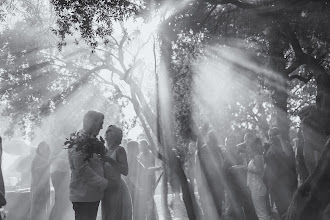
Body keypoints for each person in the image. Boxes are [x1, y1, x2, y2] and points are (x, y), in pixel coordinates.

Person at [68, 110, 108, 220]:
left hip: (91, 195)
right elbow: (82, 168)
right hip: (83, 196)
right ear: (92, 122)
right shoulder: (79, 140)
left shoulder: (92, 140)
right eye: (100, 124)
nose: (101, 127)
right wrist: (103, 183)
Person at [263, 127, 297, 218]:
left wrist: (281, 139)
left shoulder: (285, 144)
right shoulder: (270, 148)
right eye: (269, 136)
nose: (270, 138)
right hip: (274, 185)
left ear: (278, 135)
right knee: (281, 210)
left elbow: (288, 154)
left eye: (273, 136)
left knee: (289, 208)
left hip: (286, 183)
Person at [101, 125, 132, 220]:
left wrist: (110, 160)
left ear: (116, 135)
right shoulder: (104, 151)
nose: (107, 132)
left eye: (110, 131)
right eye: (107, 130)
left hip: (117, 189)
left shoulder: (120, 150)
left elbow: (125, 171)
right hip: (106, 190)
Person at [226, 132, 259, 220]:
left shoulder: (242, 151)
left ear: (235, 142)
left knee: (248, 204)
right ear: (227, 144)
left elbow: (249, 163)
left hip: (245, 182)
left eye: (232, 141)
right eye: (229, 142)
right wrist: (231, 169)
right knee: (236, 207)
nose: (231, 143)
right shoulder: (224, 154)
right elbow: (224, 169)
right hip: (232, 184)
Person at [197, 130, 225, 219]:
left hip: (219, 182)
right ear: (209, 138)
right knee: (212, 206)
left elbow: (221, 163)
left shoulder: (218, 149)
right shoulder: (203, 149)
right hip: (209, 182)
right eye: (213, 138)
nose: (215, 140)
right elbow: (202, 168)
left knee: (219, 204)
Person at [49, 138, 74, 220]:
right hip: (59, 177)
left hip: (62, 177)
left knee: (62, 202)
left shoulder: (58, 156)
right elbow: (66, 165)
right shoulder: (56, 157)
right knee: (60, 202)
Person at [246, 138, 271, 220]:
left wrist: (247, 169)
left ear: (252, 148)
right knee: (262, 212)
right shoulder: (255, 157)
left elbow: (260, 171)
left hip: (258, 188)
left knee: (261, 214)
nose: (247, 150)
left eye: (248, 148)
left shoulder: (257, 157)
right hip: (256, 187)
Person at [29, 141, 51, 220]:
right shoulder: (36, 159)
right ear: (39, 149)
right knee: (36, 209)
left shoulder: (47, 158)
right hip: (37, 187)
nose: (44, 150)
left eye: (45, 148)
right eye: (42, 148)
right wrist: (47, 164)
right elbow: (34, 170)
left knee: (45, 208)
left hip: (45, 187)